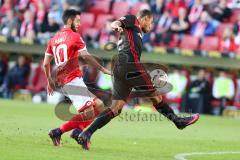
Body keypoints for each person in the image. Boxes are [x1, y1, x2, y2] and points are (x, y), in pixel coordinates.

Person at [78, 9, 200, 150]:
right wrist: (116, 26)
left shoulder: (136, 33)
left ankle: (87, 133)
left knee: (116, 109)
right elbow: (116, 23)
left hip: (119, 69)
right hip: (131, 67)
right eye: (151, 22)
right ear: (145, 18)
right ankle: (179, 122)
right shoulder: (133, 21)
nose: (151, 25)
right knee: (156, 97)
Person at [43, 9, 111, 146]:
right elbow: (85, 56)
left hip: (66, 80)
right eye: (78, 21)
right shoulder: (75, 36)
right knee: (90, 112)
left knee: (99, 105)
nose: (79, 24)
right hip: (72, 79)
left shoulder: (53, 40)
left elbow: (45, 64)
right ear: (70, 20)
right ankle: (58, 131)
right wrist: (102, 69)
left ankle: (77, 131)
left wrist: (49, 82)